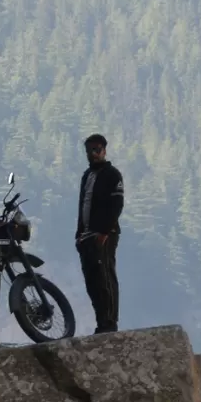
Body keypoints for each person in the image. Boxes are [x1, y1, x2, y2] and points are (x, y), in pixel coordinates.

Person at [76, 133, 123, 334]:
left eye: (96, 150)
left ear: (104, 150)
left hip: (104, 235)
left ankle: (110, 323)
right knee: (92, 282)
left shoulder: (112, 174)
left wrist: (104, 232)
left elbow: (117, 205)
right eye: (89, 150)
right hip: (85, 237)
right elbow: (83, 206)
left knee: (105, 278)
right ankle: (101, 323)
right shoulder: (87, 176)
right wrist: (78, 235)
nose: (93, 154)